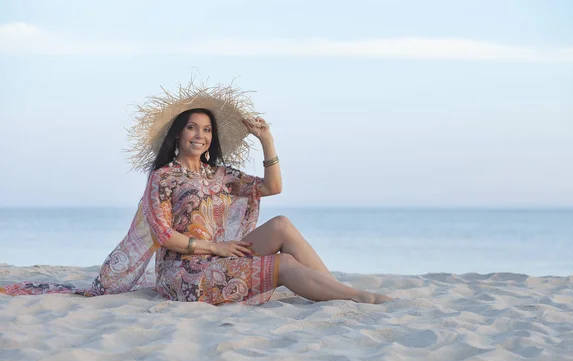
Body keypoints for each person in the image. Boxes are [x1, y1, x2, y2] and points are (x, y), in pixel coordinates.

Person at [1, 82, 392, 305]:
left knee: (283, 226)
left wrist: (267, 140)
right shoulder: (163, 178)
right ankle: (357, 299)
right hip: (184, 274)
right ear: (178, 134)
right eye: (192, 128)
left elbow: (273, 188)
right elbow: (164, 236)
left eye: (206, 130)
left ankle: (338, 292)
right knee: (285, 266)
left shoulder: (220, 174)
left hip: (220, 260)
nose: (200, 135)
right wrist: (216, 249)